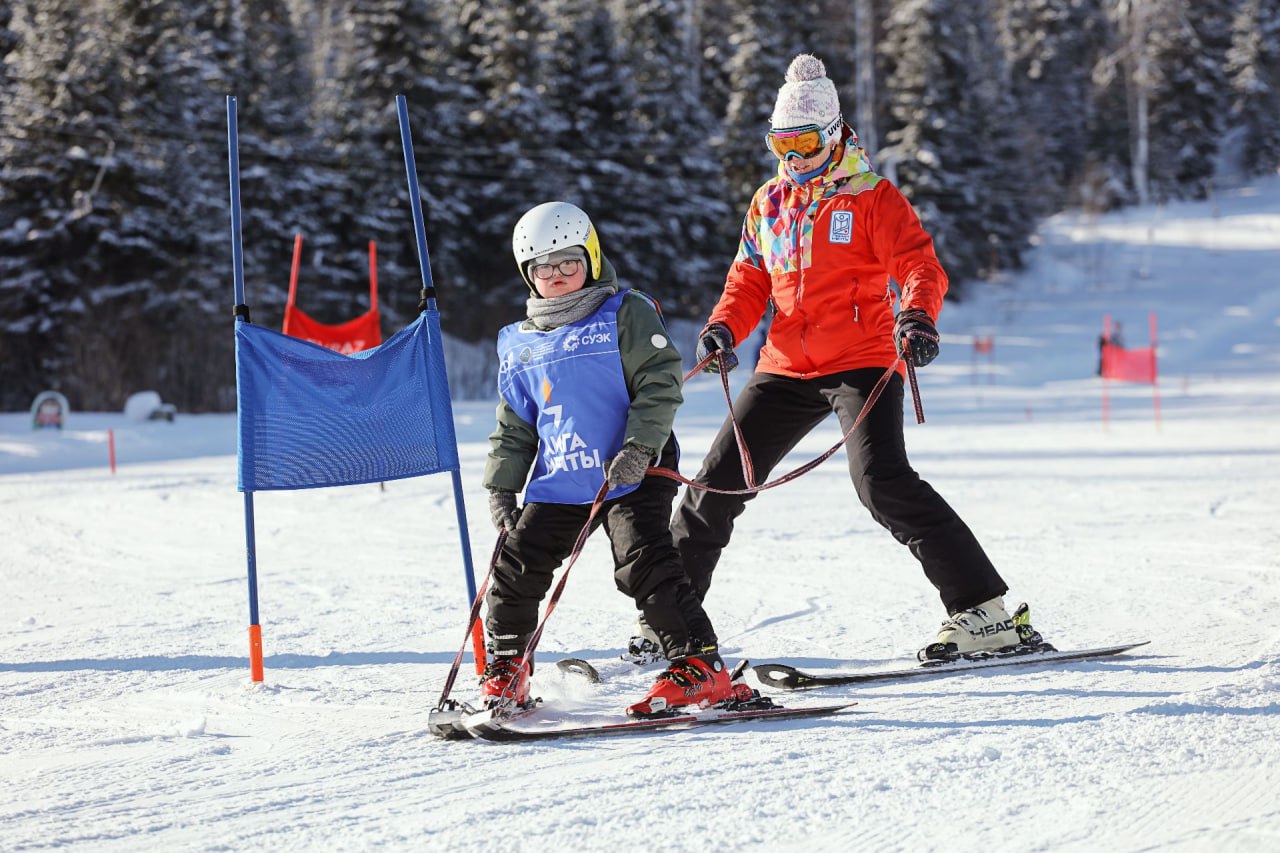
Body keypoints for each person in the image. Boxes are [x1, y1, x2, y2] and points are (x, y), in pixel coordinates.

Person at [665, 54, 1033, 662]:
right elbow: (750, 278)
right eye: (780, 141)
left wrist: (916, 316)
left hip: (862, 360)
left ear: (832, 134)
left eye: (804, 140)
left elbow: (918, 264)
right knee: (714, 486)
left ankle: (984, 615)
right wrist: (723, 328)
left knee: (881, 485)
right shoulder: (768, 204)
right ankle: (671, 621)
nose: (793, 153)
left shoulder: (871, 198)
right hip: (784, 365)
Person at [480, 201, 753, 717]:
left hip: (632, 471)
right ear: (527, 274)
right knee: (517, 563)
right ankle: (507, 667)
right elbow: (514, 424)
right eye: (543, 267)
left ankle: (700, 667)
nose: (557, 275)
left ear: (592, 257)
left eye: (568, 262)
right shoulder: (519, 344)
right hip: (561, 475)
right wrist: (501, 486)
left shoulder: (625, 312)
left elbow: (659, 381)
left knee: (643, 562)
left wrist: (640, 448)